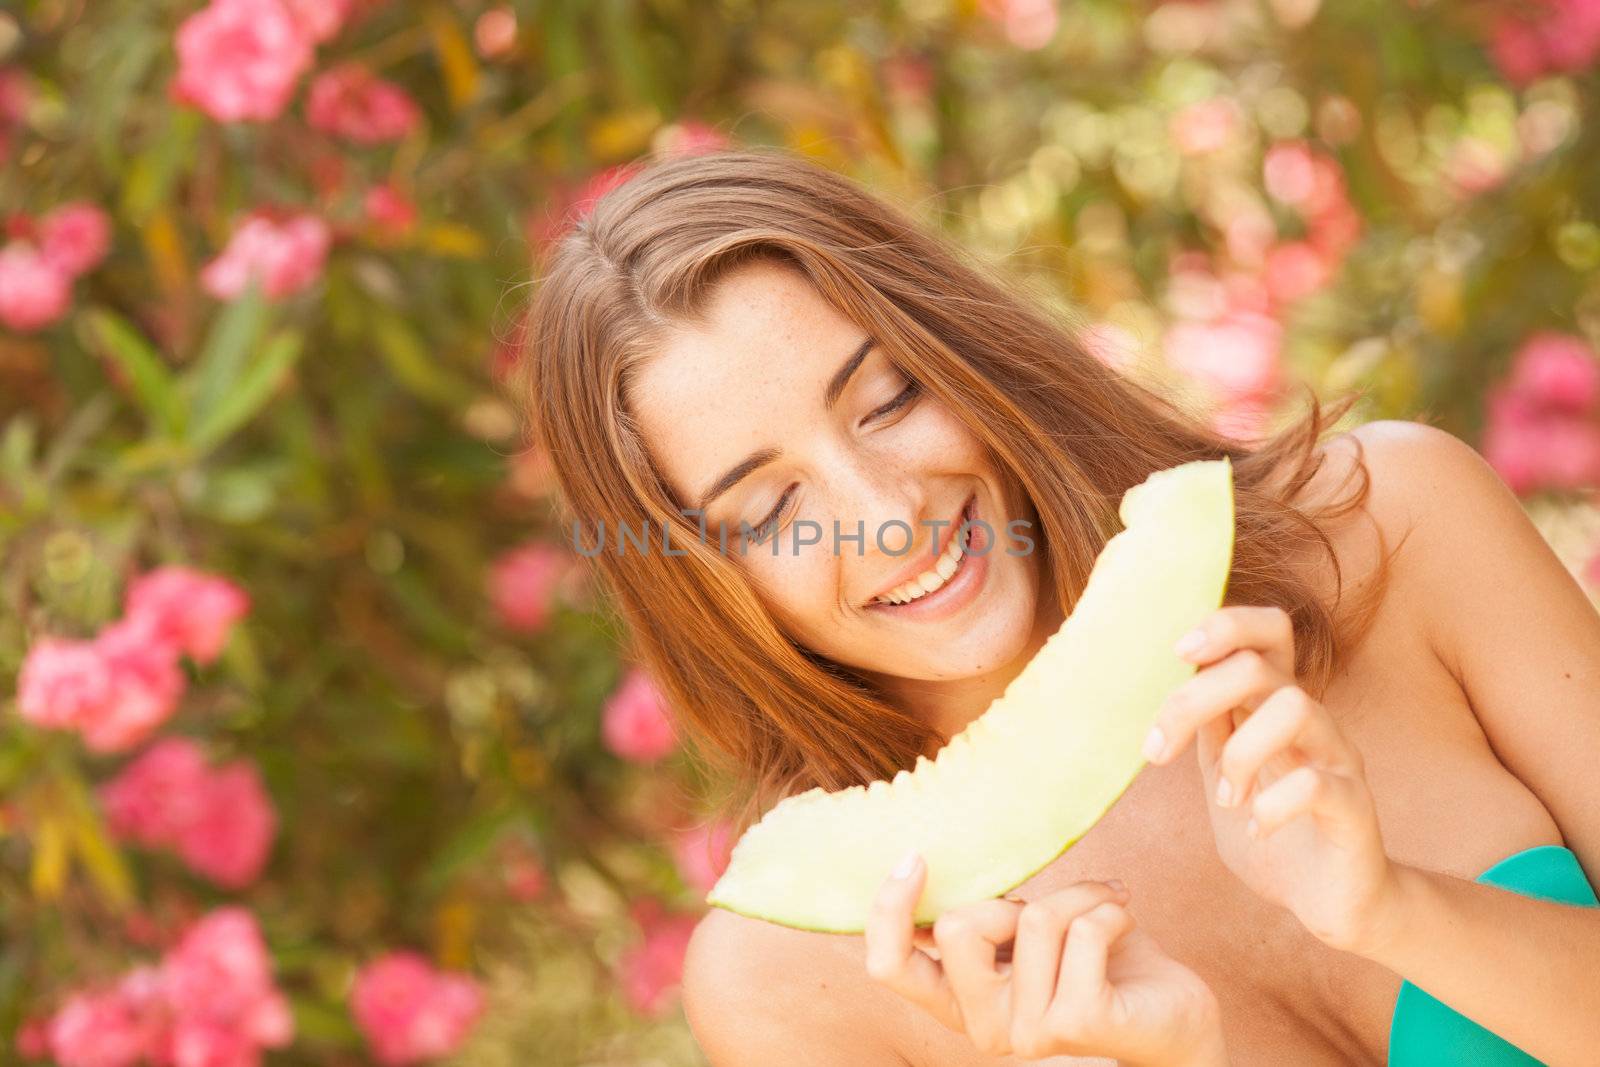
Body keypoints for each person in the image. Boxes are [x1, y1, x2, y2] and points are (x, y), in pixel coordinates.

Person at [510, 147, 1600, 1065]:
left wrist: (1390, 908)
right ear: (702, 583)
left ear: (964, 350)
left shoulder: (1394, 523)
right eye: (771, 507)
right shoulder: (790, 978)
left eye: (887, 399)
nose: (887, 513)